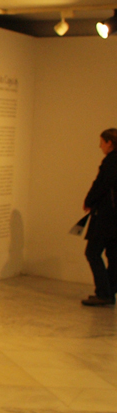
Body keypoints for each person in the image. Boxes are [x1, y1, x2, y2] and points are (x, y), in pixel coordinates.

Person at [81, 128, 117, 306]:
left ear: (109, 143)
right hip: (114, 218)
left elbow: (101, 185)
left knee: (92, 252)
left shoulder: (111, 161)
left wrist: (89, 200)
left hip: (106, 216)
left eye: (102, 142)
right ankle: (110, 293)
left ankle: (103, 293)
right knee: (113, 254)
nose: (100, 146)